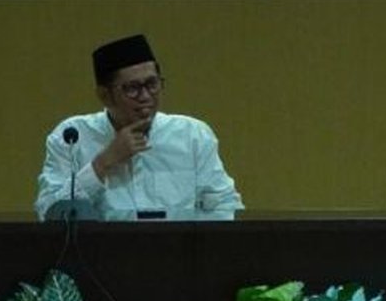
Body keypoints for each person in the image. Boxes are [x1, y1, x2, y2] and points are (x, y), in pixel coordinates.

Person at [36, 34, 244, 221]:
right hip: (99, 257)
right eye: (132, 88)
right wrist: (103, 163)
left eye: (152, 84)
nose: (145, 97)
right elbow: (49, 213)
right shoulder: (71, 137)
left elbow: (224, 206)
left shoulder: (193, 135)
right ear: (104, 95)